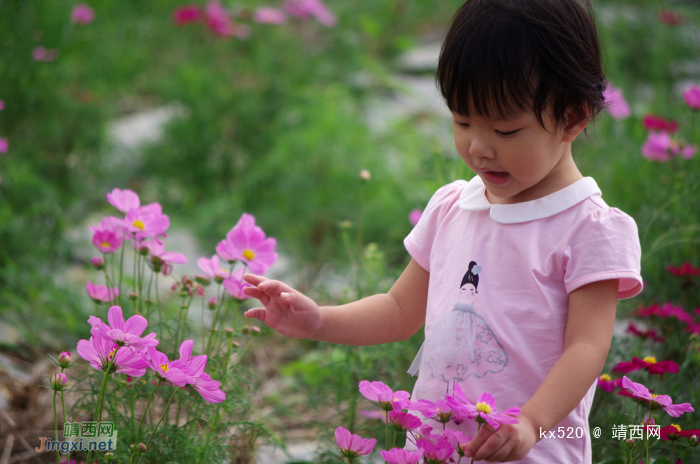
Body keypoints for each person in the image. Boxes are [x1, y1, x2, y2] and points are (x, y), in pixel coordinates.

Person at [242, 0, 643, 461]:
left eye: (506, 130)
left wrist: (531, 421)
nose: (478, 147)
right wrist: (320, 320)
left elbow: (587, 346)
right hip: (435, 449)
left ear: (572, 117)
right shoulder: (454, 207)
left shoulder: (588, 228)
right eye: (462, 121)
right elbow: (397, 309)